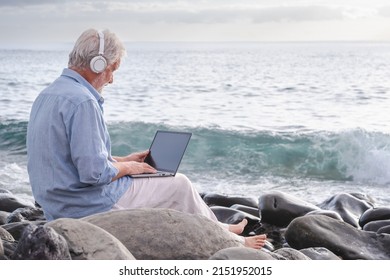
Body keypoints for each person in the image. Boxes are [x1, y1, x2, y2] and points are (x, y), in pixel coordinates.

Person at [26, 28, 266, 249]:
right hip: (86, 204)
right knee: (178, 184)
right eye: (113, 69)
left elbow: (69, 158)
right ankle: (229, 240)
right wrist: (132, 167)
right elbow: (93, 173)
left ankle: (220, 228)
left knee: (159, 184)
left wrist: (122, 159)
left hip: (57, 205)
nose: (111, 79)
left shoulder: (48, 95)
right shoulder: (83, 101)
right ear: (98, 64)